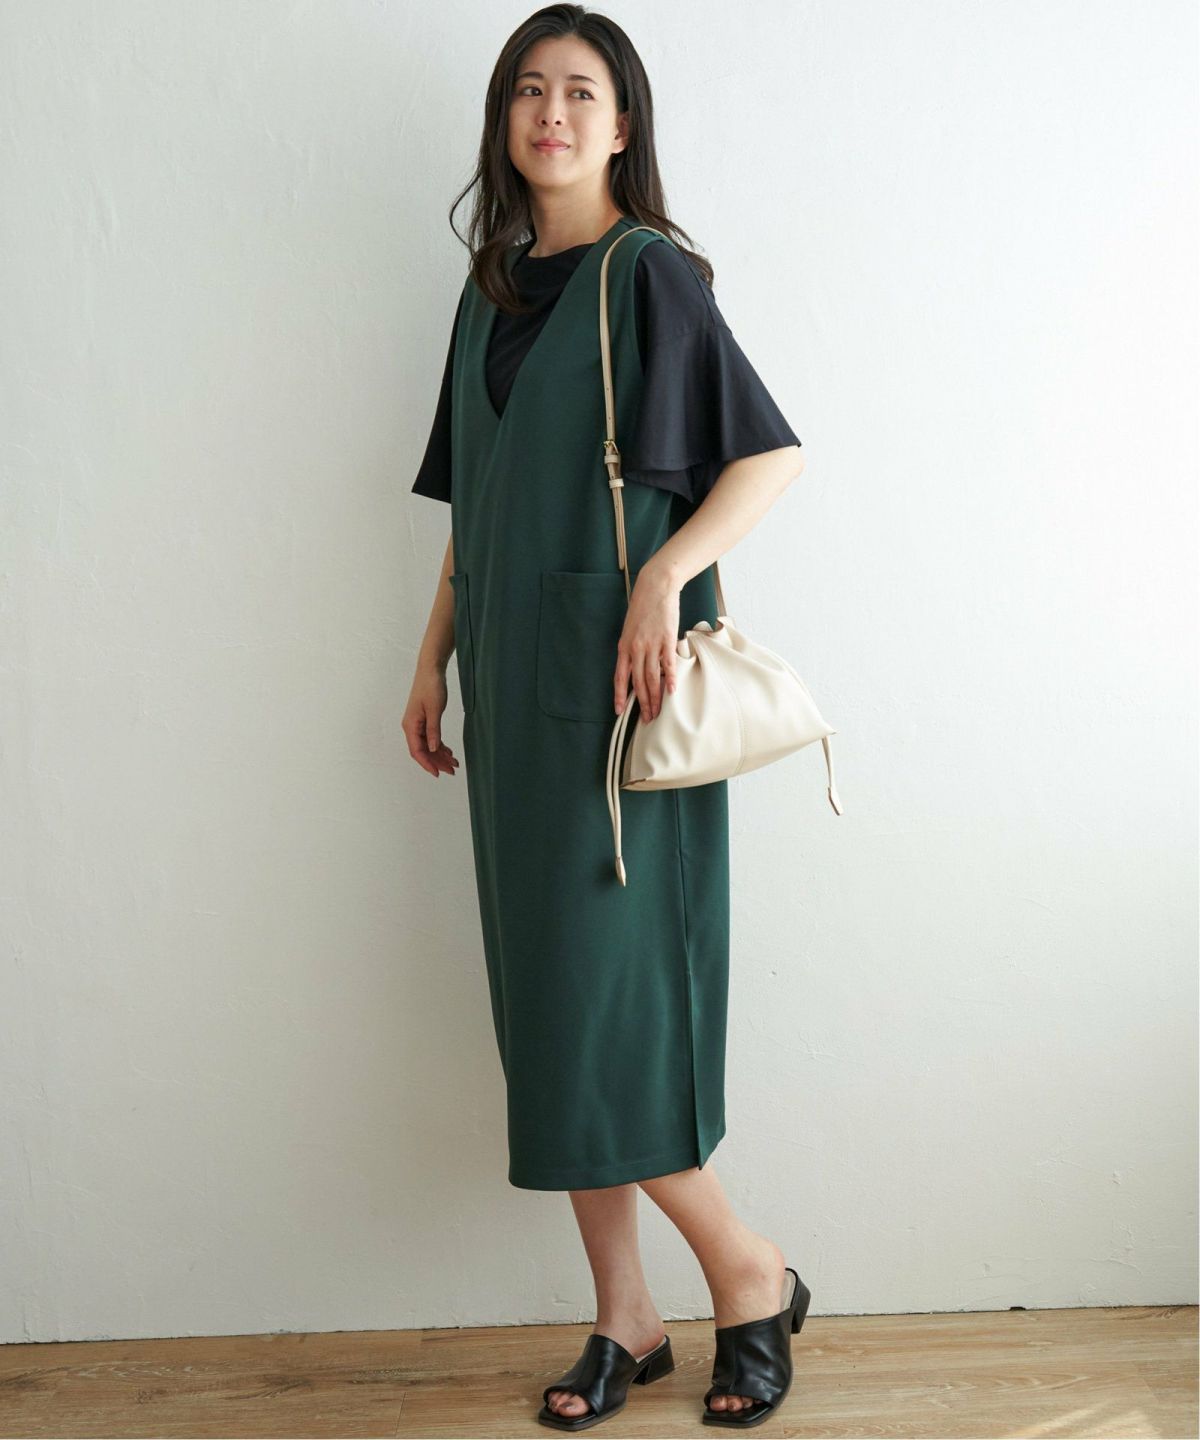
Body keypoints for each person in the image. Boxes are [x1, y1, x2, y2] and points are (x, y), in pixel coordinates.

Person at [404, 5, 812, 1429]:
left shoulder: (650, 277)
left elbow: (768, 457)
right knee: (550, 1014)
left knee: (606, 1018)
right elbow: (475, 510)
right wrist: (429, 658)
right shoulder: (489, 296)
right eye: (530, 90)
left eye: (581, 91)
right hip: (513, 702)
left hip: (619, 702)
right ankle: (626, 1317)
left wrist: (662, 574)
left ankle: (747, 1272)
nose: (552, 113)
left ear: (623, 125)